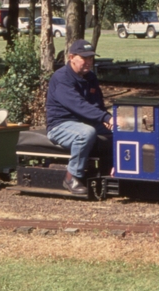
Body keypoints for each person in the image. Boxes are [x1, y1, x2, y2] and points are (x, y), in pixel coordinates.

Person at [46, 39, 113, 194]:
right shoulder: (61, 78)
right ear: (71, 58)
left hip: (86, 121)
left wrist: (109, 119)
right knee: (85, 133)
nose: (88, 62)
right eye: (84, 58)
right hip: (60, 125)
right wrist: (105, 118)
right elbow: (78, 105)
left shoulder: (90, 77)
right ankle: (71, 177)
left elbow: (97, 105)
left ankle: (115, 170)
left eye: (90, 58)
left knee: (122, 132)